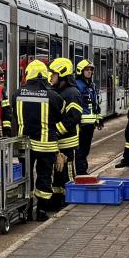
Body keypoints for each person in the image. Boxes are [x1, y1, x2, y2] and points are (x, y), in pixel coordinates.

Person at [9, 59, 64, 221]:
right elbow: (60, 116)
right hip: (46, 145)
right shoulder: (54, 96)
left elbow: (14, 113)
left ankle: (25, 210)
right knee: (45, 176)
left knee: (26, 177)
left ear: (28, 75)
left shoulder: (17, 94)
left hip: (24, 144)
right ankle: (41, 211)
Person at [49, 58, 83, 209]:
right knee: (58, 172)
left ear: (62, 75)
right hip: (58, 141)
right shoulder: (59, 91)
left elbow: (74, 117)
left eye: (54, 74)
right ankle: (57, 199)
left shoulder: (72, 93)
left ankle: (69, 200)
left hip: (67, 141)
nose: (51, 77)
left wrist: (57, 130)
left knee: (67, 173)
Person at [75, 59, 103, 175]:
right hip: (81, 124)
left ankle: (83, 169)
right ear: (80, 71)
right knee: (81, 150)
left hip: (90, 125)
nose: (89, 72)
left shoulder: (92, 85)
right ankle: (81, 171)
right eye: (86, 70)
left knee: (86, 149)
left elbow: (95, 104)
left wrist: (99, 119)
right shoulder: (77, 85)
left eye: (91, 70)